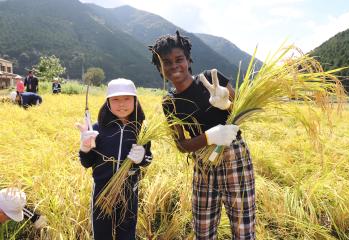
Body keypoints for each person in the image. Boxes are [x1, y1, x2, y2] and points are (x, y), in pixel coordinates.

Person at [149, 31, 256, 239]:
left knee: (243, 228)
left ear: (188, 61)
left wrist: (228, 103)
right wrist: (210, 137)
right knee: (203, 229)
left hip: (235, 159)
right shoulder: (169, 102)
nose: (174, 66)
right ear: (159, 68)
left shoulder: (210, 79)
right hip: (203, 165)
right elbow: (181, 144)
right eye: (166, 62)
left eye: (179, 59)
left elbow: (247, 109)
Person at [77, 78, 153, 240]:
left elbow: (148, 159)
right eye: (115, 99)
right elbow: (86, 163)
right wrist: (85, 148)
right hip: (102, 192)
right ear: (108, 102)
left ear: (135, 100)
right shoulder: (97, 128)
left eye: (127, 99)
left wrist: (141, 159)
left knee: (126, 235)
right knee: (102, 235)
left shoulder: (141, 130)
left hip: (129, 193)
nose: (122, 104)